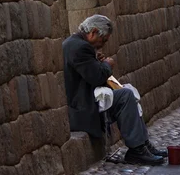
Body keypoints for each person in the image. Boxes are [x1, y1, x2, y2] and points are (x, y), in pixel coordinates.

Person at [63, 15, 166, 165]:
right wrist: (107, 65)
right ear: (93, 32)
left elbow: (86, 72)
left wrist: (97, 62)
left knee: (127, 92)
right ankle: (137, 149)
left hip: (84, 102)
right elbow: (96, 77)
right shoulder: (80, 47)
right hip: (82, 108)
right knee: (125, 95)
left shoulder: (75, 44)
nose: (102, 45)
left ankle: (142, 144)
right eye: (103, 40)